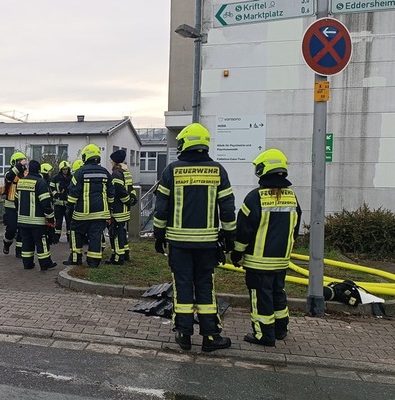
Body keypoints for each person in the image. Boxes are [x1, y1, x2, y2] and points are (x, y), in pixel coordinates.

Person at [153, 122, 235, 352]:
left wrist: (158, 235)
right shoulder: (218, 170)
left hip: (179, 243)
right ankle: (211, 336)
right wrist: (230, 236)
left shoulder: (172, 170)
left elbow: (161, 209)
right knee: (205, 286)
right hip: (208, 243)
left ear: (185, 144)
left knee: (182, 286)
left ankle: (184, 334)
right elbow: (227, 209)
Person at [232, 148, 301, 347]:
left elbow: (244, 230)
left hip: (258, 262)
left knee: (261, 297)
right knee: (278, 293)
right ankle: (280, 329)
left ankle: (264, 335)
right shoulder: (292, 197)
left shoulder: (255, 197)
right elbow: (295, 229)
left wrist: (237, 252)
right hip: (281, 260)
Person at [65, 144, 114, 268]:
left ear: (85, 157)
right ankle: (93, 262)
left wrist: (69, 208)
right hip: (100, 213)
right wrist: (109, 208)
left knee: (76, 233)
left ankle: (76, 259)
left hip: (82, 213)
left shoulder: (80, 173)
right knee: (96, 237)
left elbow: (73, 193)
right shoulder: (105, 172)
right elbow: (111, 194)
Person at [15, 160, 57, 271]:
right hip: (37, 221)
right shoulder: (41, 182)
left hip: (22, 220)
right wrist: (50, 217)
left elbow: (16, 200)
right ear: (39, 170)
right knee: (41, 242)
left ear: (28, 169)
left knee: (26, 242)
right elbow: (45, 203)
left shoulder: (21, 182)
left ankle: (27, 264)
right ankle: (45, 263)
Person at [106, 150, 138, 265]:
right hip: (125, 210)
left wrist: (127, 201)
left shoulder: (116, 173)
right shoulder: (126, 172)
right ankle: (125, 253)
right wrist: (132, 199)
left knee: (115, 233)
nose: (110, 162)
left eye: (111, 160)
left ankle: (118, 258)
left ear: (114, 161)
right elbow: (131, 188)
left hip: (118, 209)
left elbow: (119, 190)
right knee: (122, 232)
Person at [1, 152, 27, 257]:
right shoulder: (9, 173)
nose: (22, 163)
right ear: (14, 163)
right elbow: (10, 177)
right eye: (19, 161)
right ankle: (6, 244)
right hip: (10, 205)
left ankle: (19, 251)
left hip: (22, 205)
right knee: (11, 228)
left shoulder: (26, 174)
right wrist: (19, 166)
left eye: (23, 161)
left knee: (22, 229)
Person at [50, 160, 72, 244]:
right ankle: (56, 238)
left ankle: (69, 238)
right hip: (58, 204)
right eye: (63, 169)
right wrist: (56, 195)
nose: (65, 171)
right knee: (58, 222)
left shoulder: (71, 178)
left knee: (69, 222)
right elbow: (51, 188)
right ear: (61, 170)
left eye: (66, 169)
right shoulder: (55, 178)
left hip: (68, 204)